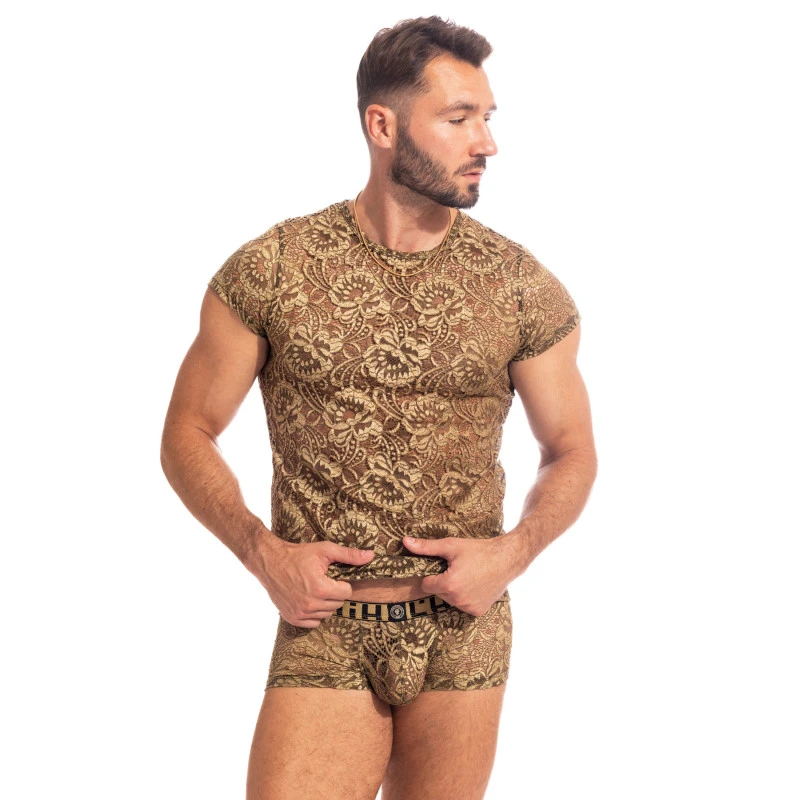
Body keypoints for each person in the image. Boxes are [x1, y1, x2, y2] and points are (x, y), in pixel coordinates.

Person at [161, 15, 596, 800]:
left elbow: (570, 447)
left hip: (463, 631)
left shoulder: (519, 286)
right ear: (383, 125)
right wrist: (262, 553)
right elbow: (187, 431)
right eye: (459, 118)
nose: (487, 142)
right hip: (325, 626)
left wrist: (514, 553)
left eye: (487, 117)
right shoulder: (275, 269)